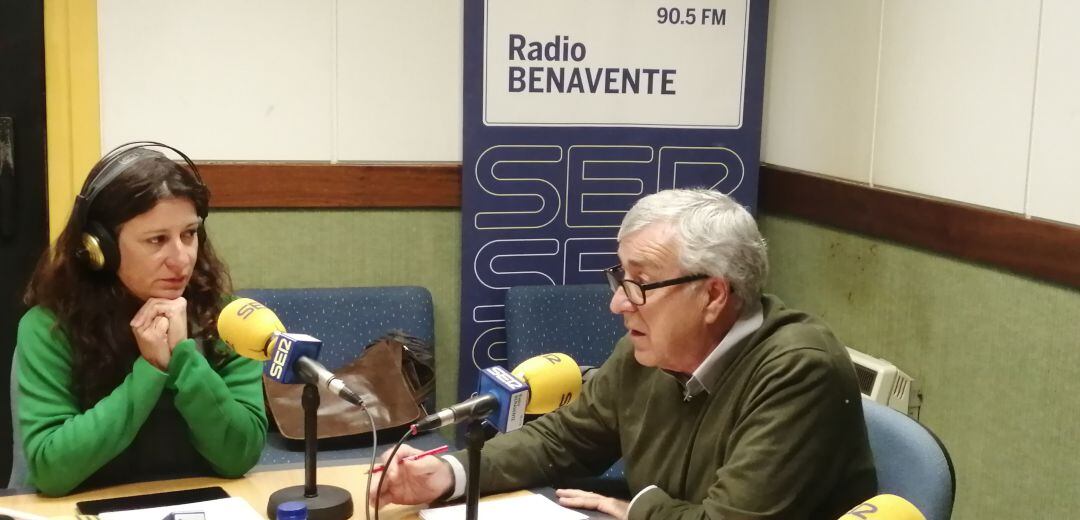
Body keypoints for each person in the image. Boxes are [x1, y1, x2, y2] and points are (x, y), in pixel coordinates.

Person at [371, 189, 877, 519]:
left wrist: (641, 508)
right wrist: (451, 474)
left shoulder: (797, 371)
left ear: (714, 295)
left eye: (641, 283)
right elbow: (563, 440)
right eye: (620, 278)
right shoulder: (647, 355)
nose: (617, 303)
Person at [15, 142, 267, 496]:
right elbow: (51, 470)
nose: (181, 259)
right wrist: (151, 369)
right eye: (156, 240)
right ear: (99, 248)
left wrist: (184, 357)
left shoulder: (227, 320)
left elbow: (239, 455)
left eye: (189, 234)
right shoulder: (50, 329)